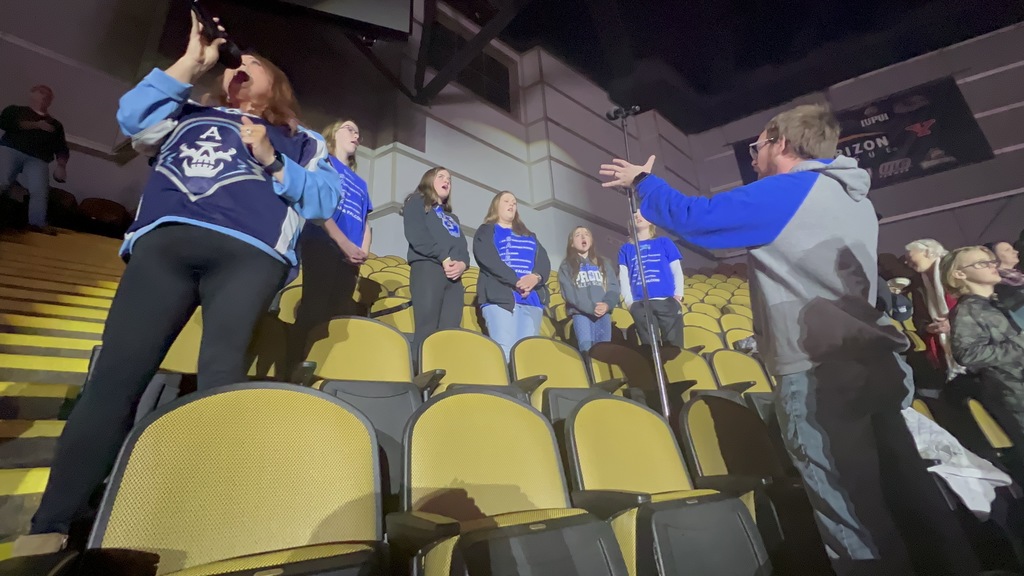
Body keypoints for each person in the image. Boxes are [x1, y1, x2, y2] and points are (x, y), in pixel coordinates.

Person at [598, 104, 980, 575]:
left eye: (757, 147)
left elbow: (700, 220)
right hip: (874, 365)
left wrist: (642, 183)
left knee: (850, 510)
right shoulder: (852, 196)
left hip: (821, 372)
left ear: (781, 143)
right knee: (908, 494)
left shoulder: (789, 190)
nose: (754, 157)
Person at [12, 13, 342, 557]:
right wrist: (191, 62)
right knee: (115, 381)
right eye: (238, 62)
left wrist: (270, 157)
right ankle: (51, 525)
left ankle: (207, 516)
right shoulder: (185, 110)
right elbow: (132, 118)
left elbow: (324, 201)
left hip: (248, 257)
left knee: (219, 377)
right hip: (162, 249)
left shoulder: (301, 140)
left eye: (254, 65)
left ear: (276, 87)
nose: (242, 67)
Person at [291, 118, 371, 362]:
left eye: (358, 132)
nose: (356, 135)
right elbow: (317, 208)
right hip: (321, 242)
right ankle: (294, 370)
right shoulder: (324, 163)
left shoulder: (361, 183)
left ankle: (323, 370)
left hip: (351, 257)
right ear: (333, 134)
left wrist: (363, 250)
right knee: (315, 309)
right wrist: (343, 243)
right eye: (350, 128)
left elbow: (366, 222)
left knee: (338, 315)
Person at [944, 245, 1024, 484]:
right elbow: (968, 354)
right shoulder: (967, 310)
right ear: (959, 274)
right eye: (981, 263)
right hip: (1015, 393)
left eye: (990, 261)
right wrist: (1019, 343)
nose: (992, 265)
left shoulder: (1002, 301)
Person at [473, 191, 550, 360]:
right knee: (506, 353)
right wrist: (517, 281)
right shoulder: (487, 230)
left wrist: (535, 277)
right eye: (506, 201)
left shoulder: (530, 236)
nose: (512, 204)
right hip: (500, 298)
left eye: (514, 202)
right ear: (496, 206)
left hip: (532, 301)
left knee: (528, 355)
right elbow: (487, 258)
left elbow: (543, 261)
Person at [403, 167, 469, 350]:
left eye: (449, 179)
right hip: (428, 269)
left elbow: (463, 248)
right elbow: (417, 235)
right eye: (441, 176)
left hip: (454, 277)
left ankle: (445, 372)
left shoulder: (452, 217)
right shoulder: (416, 201)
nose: (446, 181)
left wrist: (463, 264)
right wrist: (443, 257)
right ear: (429, 180)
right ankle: (421, 375)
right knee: (427, 330)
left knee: (450, 333)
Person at [0, 84, 69, 234]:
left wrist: (61, 166)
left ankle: (37, 224)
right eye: (41, 92)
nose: (45, 96)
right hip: (11, 149)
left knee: (40, 190)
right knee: (2, 180)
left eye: (49, 95)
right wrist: (36, 125)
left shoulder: (56, 125)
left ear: (51, 101)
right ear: (32, 94)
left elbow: (61, 147)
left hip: (38, 158)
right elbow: (4, 122)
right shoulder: (16, 110)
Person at [617, 211, 684, 348]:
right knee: (650, 348)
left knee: (673, 347)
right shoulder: (625, 249)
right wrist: (630, 303)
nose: (637, 216)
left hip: (666, 301)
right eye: (634, 215)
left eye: (642, 214)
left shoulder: (664, 242)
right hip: (640, 304)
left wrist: (678, 296)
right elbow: (623, 278)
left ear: (650, 221)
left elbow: (676, 270)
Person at [906, 239, 968, 383]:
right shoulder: (918, 284)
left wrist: (953, 323)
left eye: (910, 255)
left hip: (970, 339)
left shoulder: (955, 270)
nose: (907, 261)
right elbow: (919, 319)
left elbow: (973, 302)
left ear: (928, 252)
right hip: (942, 347)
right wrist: (929, 327)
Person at [558, 226, 620, 353]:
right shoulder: (566, 266)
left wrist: (607, 305)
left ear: (591, 240)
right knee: (587, 349)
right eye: (578, 235)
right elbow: (569, 293)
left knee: (604, 351)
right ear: (572, 243)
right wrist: (591, 308)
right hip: (581, 314)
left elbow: (613, 287)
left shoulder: (604, 263)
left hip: (604, 313)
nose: (583, 236)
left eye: (586, 234)